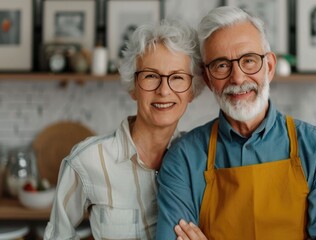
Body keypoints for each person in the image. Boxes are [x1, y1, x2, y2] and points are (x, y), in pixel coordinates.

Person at [157, 6, 316, 239]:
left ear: (269, 67)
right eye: (222, 65)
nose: (238, 78)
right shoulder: (183, 159)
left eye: (249, 61)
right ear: (209, 79)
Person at [43, 20, 206, 240]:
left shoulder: (200, 159)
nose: (164, 90)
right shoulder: (87, 160)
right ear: (133, 88)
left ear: (192, 91)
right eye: (151, 76)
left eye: (177, 77)